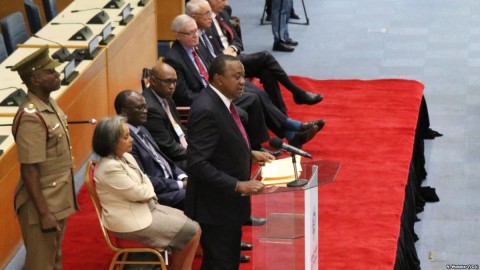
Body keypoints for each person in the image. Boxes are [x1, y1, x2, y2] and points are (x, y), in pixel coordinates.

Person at [166, 14, 324, 149]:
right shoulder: (174, 59)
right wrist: (215, 93)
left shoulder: (197, 46)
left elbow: (212, 68)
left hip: (218, 87)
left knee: (257, 92)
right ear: (178, 35)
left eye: (196, 31)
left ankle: (290, 133)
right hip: (207, 98)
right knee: (252, 98)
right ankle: (282, 132)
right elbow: (183, 95)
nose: (196, 36)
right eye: (190, 33)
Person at [186, 54, 274, 269]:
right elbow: (197, 164)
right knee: (220, 263)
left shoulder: (222, 102)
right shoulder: (206, 109)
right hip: (214, 206)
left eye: (243, 76)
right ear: (218, 79)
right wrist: (237, 184)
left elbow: (224, 140)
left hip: (228, 205)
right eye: (236, 77)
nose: (243, 81)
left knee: (226, 260)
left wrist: (250, 153)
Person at [92, 116, 201, 270]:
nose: (131, 140)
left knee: (194, 226)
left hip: (146, 208)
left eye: (129, 135)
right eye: (125, 137)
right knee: (191, 230)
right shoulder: (109, 168)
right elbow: (141, 193)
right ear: (111, 142)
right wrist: (146, 188)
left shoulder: (126, 157)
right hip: (130, 221)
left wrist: (145, 187)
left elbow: (144, 183)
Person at [10, 45, 78, 269]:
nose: (57, 74)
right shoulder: (31, 116)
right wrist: (44, 213)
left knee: (55, 257)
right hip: (41, 203)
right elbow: (29, 170)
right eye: (50, 72)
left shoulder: (49, 104)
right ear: (35, 79)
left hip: (56, 196)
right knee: (41, 264)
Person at [204, 0, 321, 111]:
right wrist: (225, 54)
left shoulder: (223, 14)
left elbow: (237, 41)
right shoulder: (206, 22)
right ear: (211, 1)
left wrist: (233, 48)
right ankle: (297, 92)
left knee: (267, 71)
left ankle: (282, 113)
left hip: (234, 55)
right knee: (265, 57)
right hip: (222, 63)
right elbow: (210, 54)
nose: (226, 4)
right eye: (222, 0)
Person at [115, 90, 188, 210]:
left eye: (145, 106)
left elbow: (164, 160)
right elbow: (143, 179)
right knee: (200, 193)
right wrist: (180, 185)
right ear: (124, 112)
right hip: (156, 195)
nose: (145, 111)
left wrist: (183, 177)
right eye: (139, 108)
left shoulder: (142, 129)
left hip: (171, 182)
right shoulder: (125, 142)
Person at [142, 59, 188, 170]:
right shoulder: (151, 108)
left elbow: (180, 129)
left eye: (174, 81)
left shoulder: (166, 97)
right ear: (153, 81)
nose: (172, 86)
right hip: (173, 162)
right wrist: (198, 154)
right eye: (167, 81)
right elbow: (168, 148)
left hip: (183, 149)